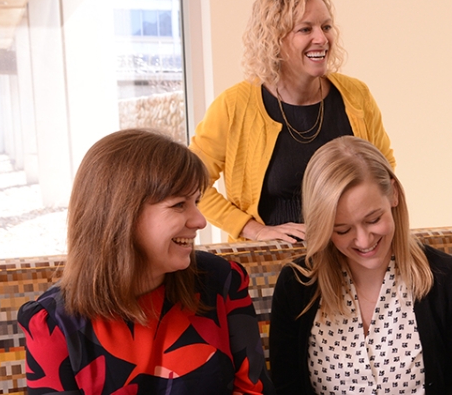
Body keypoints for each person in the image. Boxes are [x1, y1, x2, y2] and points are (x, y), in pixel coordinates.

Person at [18, 129, 271, 394]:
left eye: (195, 202)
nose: (200, 220)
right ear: (122, 214)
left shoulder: (223, 281)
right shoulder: (52, 323)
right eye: (178, 205)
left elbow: (254, 389)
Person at [269, 136, 452, 395]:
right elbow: (286, 386)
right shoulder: (298, 284)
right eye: (342, 229)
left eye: (373, 219)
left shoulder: (446, 279)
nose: (363, 240)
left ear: (394, 194)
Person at [190, 0, 394, 243]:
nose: (321, 38)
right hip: (271, 264)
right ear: (274, 39)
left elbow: (384, 169)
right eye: (305, 29)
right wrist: (253, 229)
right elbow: (190, 183)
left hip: (347, 253)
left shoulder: (356, 95)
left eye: (326, 26)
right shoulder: (233, 107)